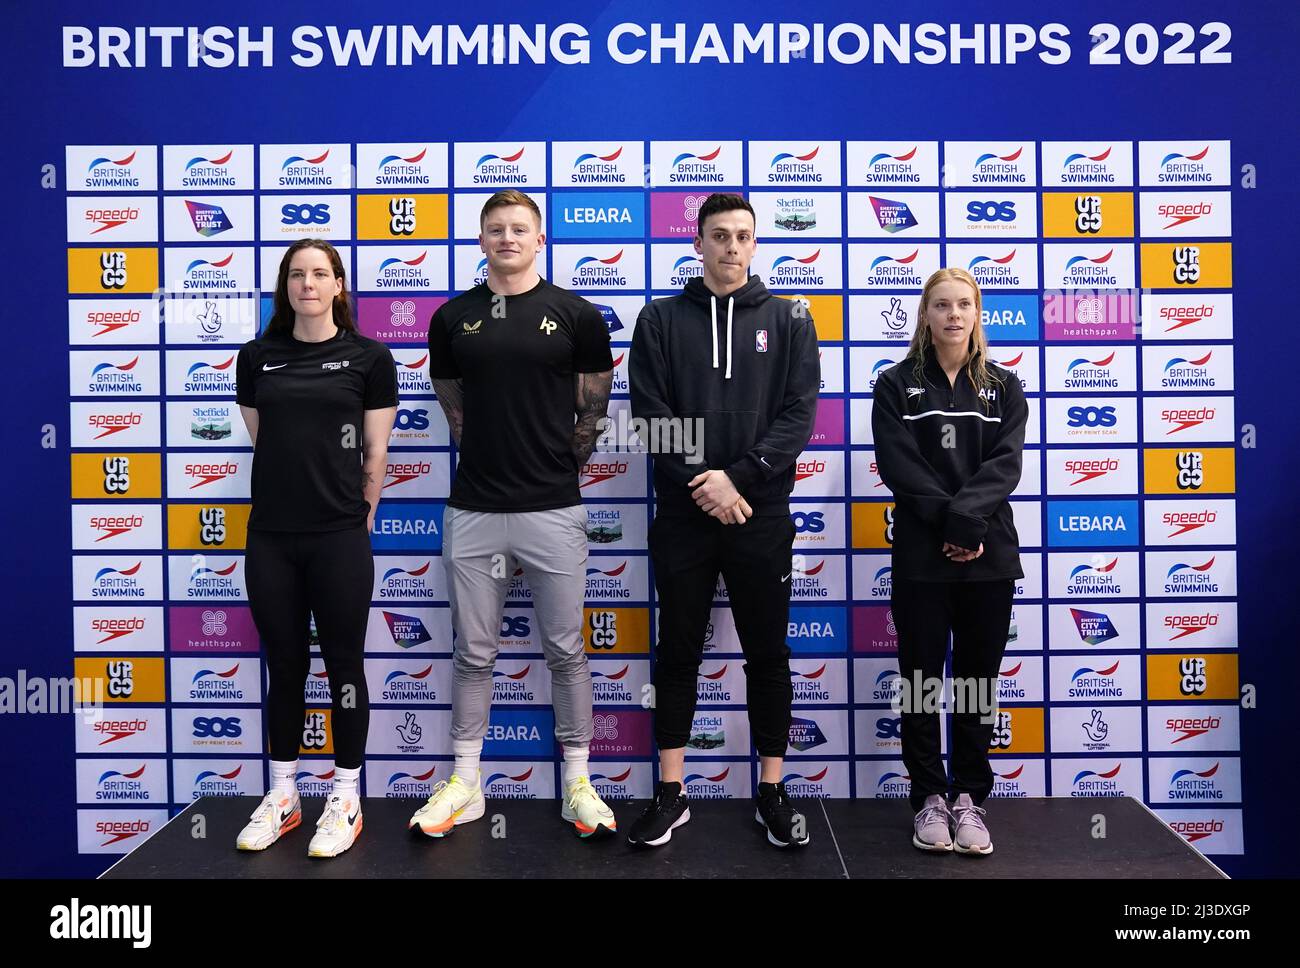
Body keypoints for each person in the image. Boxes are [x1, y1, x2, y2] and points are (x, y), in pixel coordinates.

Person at [410, 190, 618, 839]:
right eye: (496, 229)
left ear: (539, 239)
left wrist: (553, 472)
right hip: (473, 508)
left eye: (519, 229)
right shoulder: (452, 319)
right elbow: (455, 411)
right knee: (473, 654)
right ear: (481, 240)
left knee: (566, 651)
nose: (508, 238)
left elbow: (592, 414)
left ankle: (578, 783)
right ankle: (465, 782)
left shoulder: (577, 315)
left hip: (553, 508)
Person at [627, 193, 820, 848]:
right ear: (698, 243)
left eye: (742, 236)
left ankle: (771, 789)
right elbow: (650, 413)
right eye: (719, 235)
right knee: (677, 650)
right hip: (684, 515)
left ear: (755, 243)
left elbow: (798, 415)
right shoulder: (659, 319)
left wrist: (739, 478)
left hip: (759, 512)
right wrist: (707, 483)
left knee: (767, 654)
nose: (731, 247)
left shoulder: (791, 317)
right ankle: (672, 791)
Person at [234, 239, 399, 857]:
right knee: (285, 667)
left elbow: (376, 455)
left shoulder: (368, 357)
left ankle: (346, 796)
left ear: (338, 286)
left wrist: (355, 518)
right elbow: (264, 438)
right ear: (286, 287)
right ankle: (283, 796)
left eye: (320, 274)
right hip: (271, 537)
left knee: (344, 668)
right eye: (297, 274)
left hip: (338, 538)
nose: (308, 283)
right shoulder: (257, 357)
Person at [870, 267, 1027, 856]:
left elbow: (1004, 465)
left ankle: (969, 798)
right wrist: (952, 525)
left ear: (977, 313)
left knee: (977, 682)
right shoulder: (894, 385)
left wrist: (969, 525)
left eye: (964, 304)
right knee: (920, 682)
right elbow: (900, 465)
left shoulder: (1005, 387)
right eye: (941, 305)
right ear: (925, 315)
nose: (954, 315)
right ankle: (929, 798)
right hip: (922, 556)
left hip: (988, 555)